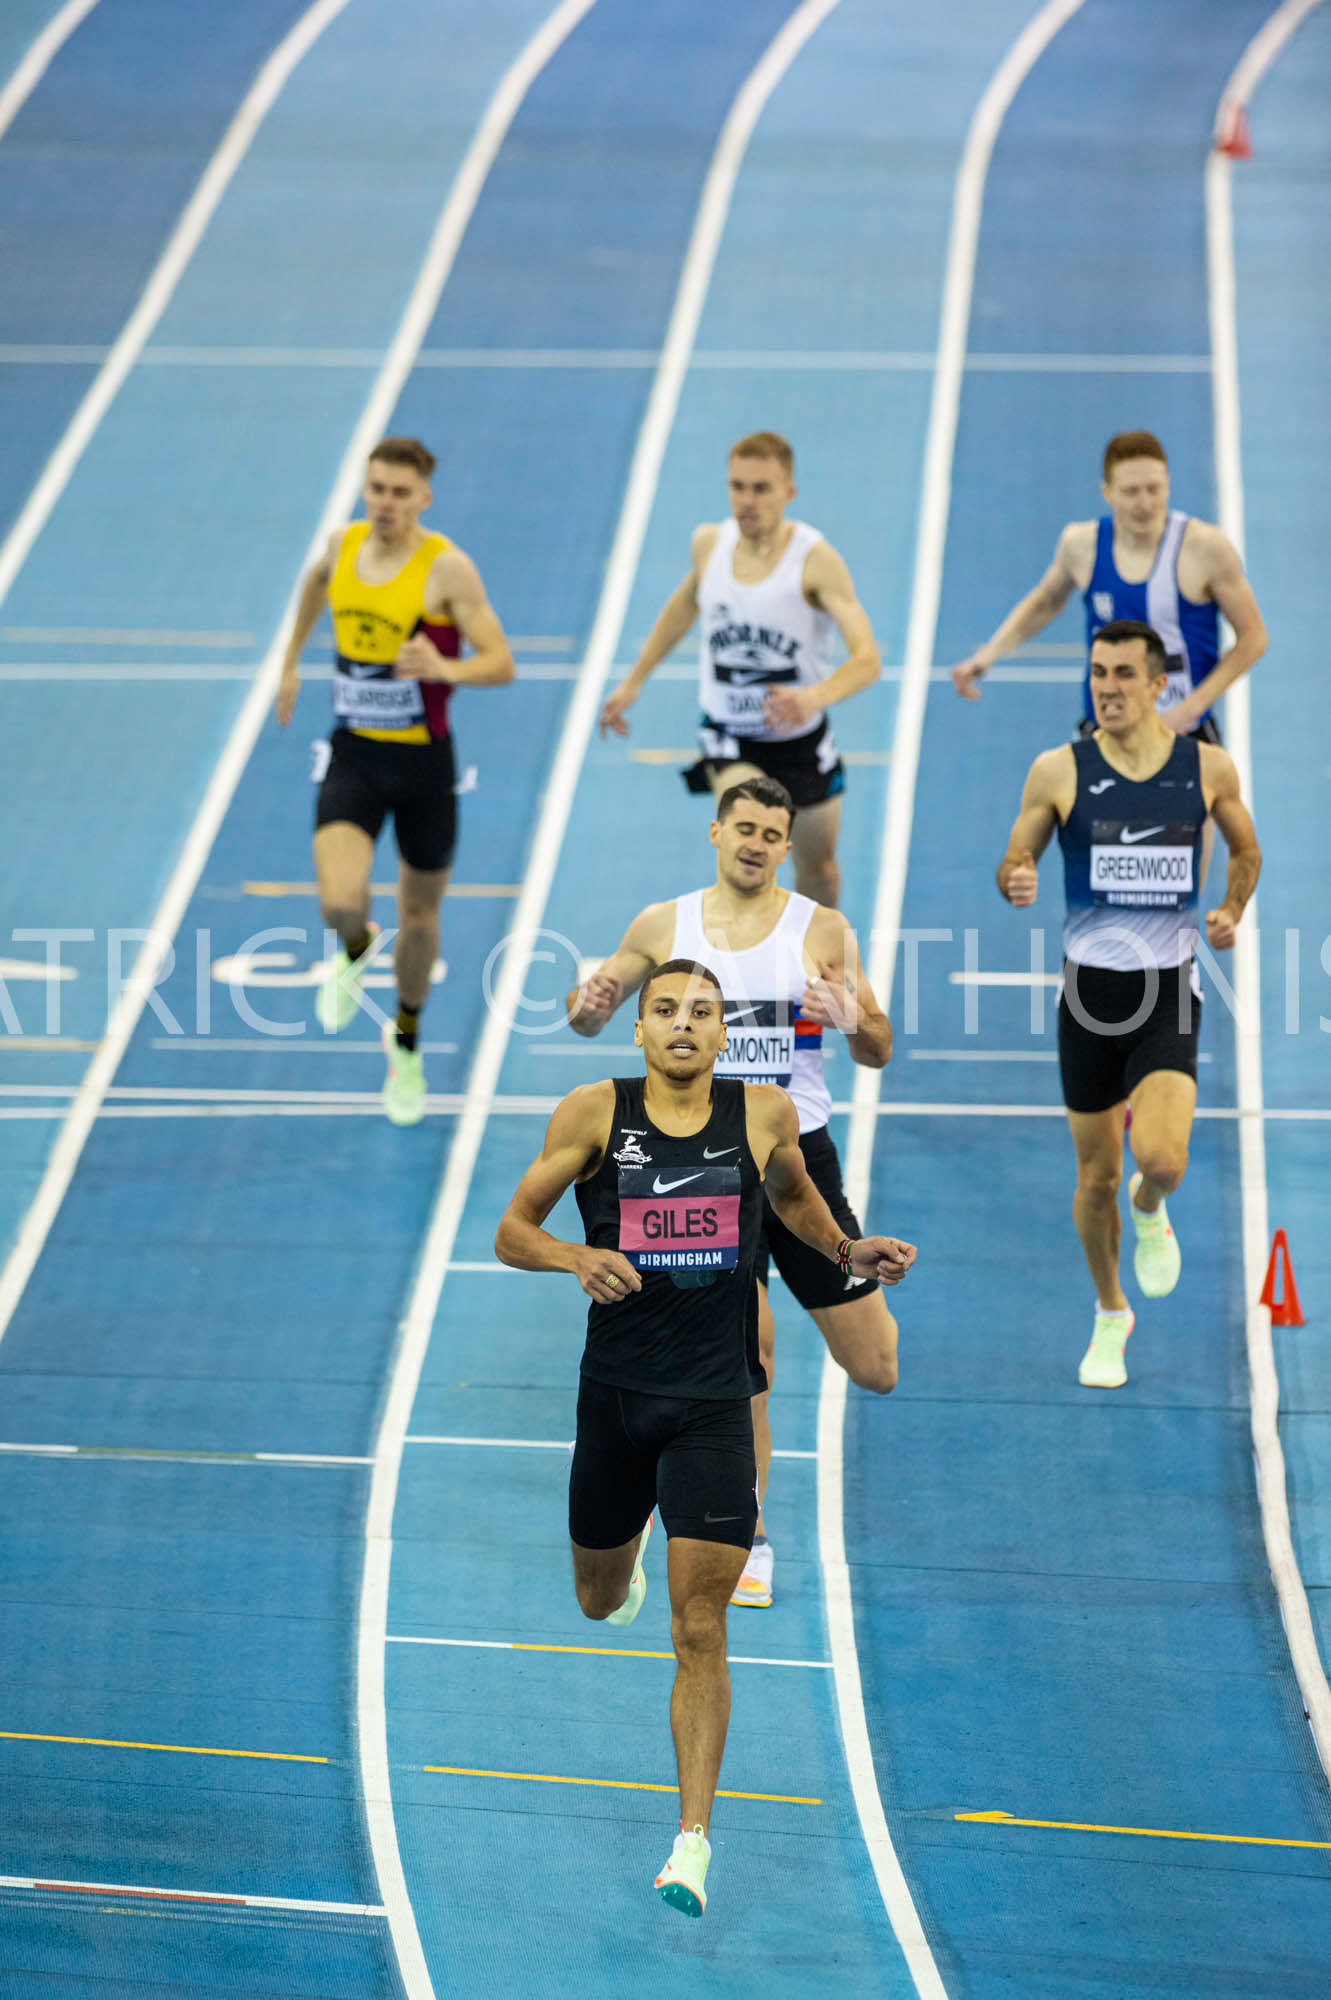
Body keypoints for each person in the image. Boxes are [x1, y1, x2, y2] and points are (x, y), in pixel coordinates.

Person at [494, 959, 916, 1917]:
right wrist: (575, 1254)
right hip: (616, 1399)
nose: (684, 1025)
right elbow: (512, 1231)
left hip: (717, 1403)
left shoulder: (763, 1115)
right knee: (599, 1603)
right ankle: (625, 1556)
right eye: (665, 1012)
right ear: (638, 1032)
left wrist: (850, 1253)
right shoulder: (592, 1114)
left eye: (702, 1013)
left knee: (700, 1624)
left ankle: (690, 1842)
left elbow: (799, 1207)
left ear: (724, 1034)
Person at [564, 775, 896, 1610]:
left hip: (793, 1154)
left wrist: (851, 1014)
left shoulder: (819, 929)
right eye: (741, 827)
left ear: (787, 846)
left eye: (770, 833)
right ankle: (741, 1536)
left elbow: (879, 1049)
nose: (754, 842)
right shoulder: (661, 925)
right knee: (751, 1354)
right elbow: (590, 1013)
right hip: (699, 1160)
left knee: (875, 1365)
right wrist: (588, 1002)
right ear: (715, 833)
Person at [996, 619, 1260, 1388]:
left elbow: (1245, 850)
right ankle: (1111, 1311)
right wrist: (1014, 876)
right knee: (1095, 1179)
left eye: (1120, 674)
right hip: (1087, 995)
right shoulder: (1058, 770)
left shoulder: (1206, 768)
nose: (1105, 687)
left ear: (1156, 685)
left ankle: (1152, 1208)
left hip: (1166, 989)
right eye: (1096, 672)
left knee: (1162, 1162)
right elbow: (1017, 854)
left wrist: (1231, 909)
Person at [276, 436, 513, 1124]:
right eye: (376, 488)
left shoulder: (447, 570)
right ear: (364, 488)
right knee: (339, 904)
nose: (385, 503)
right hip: (354, 756)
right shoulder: (342, 545)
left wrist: (445, 670)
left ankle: (404, 1039)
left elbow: (500, 661)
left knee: (420, 917)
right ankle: (355, 946)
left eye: (400, 493)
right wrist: (291, 660)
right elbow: (315, 584)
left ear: (423, 499)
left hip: (422, 769)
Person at [598, 431, 882, 907]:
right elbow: (684, 606)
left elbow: (868, 659)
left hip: (800, 742)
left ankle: (824, 967)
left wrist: (811, 698)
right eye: (738, 486)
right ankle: (750, 960)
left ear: (789, 491)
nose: (747, 501)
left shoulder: (815, 562)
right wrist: (634, 681)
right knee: (750, 846)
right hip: (729, 735)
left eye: (761, 488)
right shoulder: (709, 545)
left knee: (819, 872)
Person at [953, 430, 1267, 743]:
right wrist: (988, 654)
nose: (1145, 503)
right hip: (1105, 731)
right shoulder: (1081, 545)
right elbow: (1045, 602)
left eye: (1154, 489)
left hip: (1182, 731)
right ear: (1108, 492)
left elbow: (1253, 637)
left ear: (1168, 484)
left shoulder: (1205, 549)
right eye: (1131, 492)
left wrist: (1191, 708)